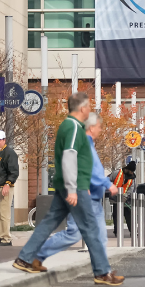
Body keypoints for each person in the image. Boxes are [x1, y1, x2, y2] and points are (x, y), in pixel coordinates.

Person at [13, 92, 123, 286]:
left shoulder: (72, 127)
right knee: (90, 228)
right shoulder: (72, 127)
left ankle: (25, 258)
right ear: (82, 108)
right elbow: (69, 156)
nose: (90, 110)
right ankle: (102, 272)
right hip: (75, 187)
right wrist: (73, 189)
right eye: (88, 106)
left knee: (48, 223)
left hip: (66, 186)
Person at [36, 113, 113, 264]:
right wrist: (107, 183)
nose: (101, 130)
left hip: (94, 198)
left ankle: (103, 271)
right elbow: (90, 169)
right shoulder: (83, 144)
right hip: (85, 196)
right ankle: (36, 253)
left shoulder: (88, 143)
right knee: (74, 233)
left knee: (100, 236)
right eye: (99, 127)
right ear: (91, 127)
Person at [110, 160, 136, 239]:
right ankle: (117, 232)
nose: (132, 173)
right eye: (131, 171)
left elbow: (131, 188)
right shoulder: (116, 173)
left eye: (133, 171)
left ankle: (133, 231)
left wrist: (125, 197)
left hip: (125, 200)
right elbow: (109, 181)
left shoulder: (132, 177)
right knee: (116, 216)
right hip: (115, 199)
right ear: (127, 169)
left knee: (129, 216)